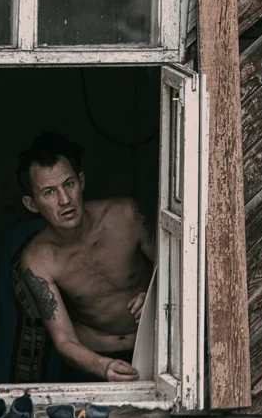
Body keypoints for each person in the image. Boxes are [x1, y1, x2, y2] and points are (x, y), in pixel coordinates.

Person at [12, 132, 156, 382]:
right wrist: (104, 367)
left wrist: (157, 297)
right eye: (49, 192)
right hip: (93, 359)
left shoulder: (128, 216)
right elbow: (64, 340)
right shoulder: (37, 260)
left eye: (68, 184)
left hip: (157, 343)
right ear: (31, 204)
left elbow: (182, 271)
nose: (65, 200)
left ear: (82, 182)